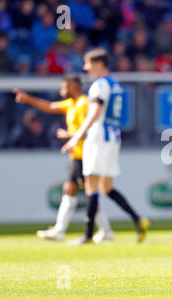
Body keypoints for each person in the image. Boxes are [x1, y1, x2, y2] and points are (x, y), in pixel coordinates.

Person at [61, 48, 150, 245]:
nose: (85, 67)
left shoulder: (99, 85)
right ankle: (138, 220)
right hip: (113, 137)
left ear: (98, 64)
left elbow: (94, 113)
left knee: (90, 184)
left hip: (99, 137)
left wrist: (76, 137)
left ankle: (88, 235)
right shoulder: (115, 84)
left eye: (87, 63)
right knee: (106, 187)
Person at [13, 75, 114, 242]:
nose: (61, 91)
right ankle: (98, 230)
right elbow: (49, 106)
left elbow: (90, 130)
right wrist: (28, 98)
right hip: (77, 154)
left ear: (73, 87)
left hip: (85, 153)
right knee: (74, 189)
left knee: (87, 192)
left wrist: (69, 135)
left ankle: (89, 230)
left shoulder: (84, 103)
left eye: (63, 87)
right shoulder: (71, 103)